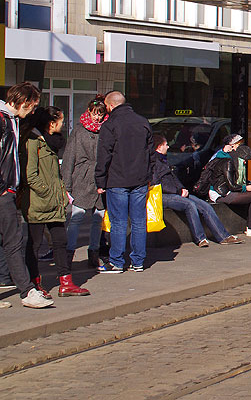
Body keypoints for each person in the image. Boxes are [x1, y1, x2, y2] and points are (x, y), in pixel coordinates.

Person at [21, 106, 90, 296]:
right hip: (38, 202)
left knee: (60, 241)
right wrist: (48, 192)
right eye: (61, 121)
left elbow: (54, 174)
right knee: (34, 244)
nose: (63, 125)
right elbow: (30, 175)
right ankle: (34, 284)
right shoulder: (33, 141)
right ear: (51, 123)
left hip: (54, 202)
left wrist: (60, 192)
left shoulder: (51, 143)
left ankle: (66, 282)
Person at [0, 83, 52, 307]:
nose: (32, 111)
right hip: (3, 192)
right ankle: (27, 291)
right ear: (23, 101)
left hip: (7, 189)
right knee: (13, 242)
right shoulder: (3, 120)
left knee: (9, 241)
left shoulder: (11, 120)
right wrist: (4, 186)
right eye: (32, 105)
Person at [95, 91, 154, 273]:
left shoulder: (110, 125)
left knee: (118, 222)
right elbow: (151, 154)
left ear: (110, 106)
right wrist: (149, 176)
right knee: (139, 221)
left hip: (117, 179)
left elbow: (104, 155)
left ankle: (117, 262)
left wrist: (100, 180)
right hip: (140, 179)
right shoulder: (143, 122)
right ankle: (138, 261)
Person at [152, 134, 241, 246]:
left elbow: (173, 178)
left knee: (205, 206)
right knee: (190, 205)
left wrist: (182, 188)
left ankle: (223, 236)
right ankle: (200, 238)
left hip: (176, 192)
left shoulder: (163, 160)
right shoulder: (153, 162)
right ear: (159, 147)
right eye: (166, 145)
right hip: (163, 195)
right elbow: (157, 183)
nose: (168, 147)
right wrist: (178, 191)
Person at [63, 97, 108, 269]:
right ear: (88, 112)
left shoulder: (106, 130)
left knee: (98, 219)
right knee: (77, 217)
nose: (97, 117)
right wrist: (66, 184)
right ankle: (69, 254)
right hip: (82, 178)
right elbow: (69, 158)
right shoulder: (79, 130)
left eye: (100, 114)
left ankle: (94, 253)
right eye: (95, 113)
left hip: (100, 178)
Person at [194, 134, 251, 237]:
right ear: (232, 145)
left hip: (224, 190)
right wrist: (246, 188)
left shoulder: (225, 156)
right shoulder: (227, 160)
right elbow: (231, 185)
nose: (239, 147)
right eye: (238, 145)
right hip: (221, 193)